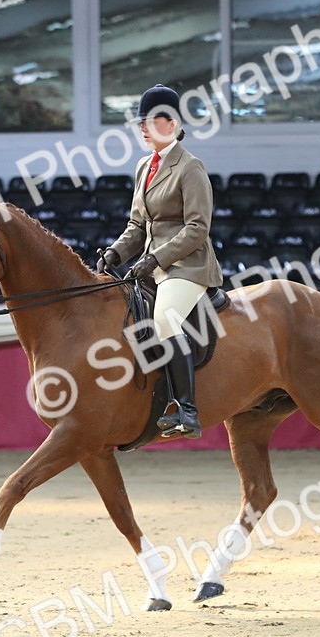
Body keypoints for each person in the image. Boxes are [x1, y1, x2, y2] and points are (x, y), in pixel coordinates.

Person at [95, 85, 224, 439]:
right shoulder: (144, 167)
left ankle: (187, 410)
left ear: (170, 123)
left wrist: (154, 259)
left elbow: (198, 228)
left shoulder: (191, 167)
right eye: (140, 123)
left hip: (188, 266)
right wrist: (115, 253)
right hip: (154, 265)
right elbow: (138, 225)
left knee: (165, 320)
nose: (142, 129)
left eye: (149, 122)